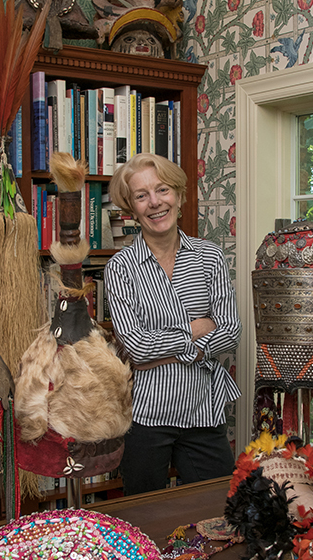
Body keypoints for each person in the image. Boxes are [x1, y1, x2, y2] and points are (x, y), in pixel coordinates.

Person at [103, 153, 241, 495]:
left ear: (178, 195)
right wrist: (197, 330)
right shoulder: (120, 268)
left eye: (162, 190)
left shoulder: (210, 256)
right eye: (141, 195)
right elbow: (135, 347)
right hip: (147, 417)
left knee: (216, 508)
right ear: (131, 209)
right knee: (145, 516)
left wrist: (161, 351)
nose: (154, 203)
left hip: (204, 412)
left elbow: (231, 332)